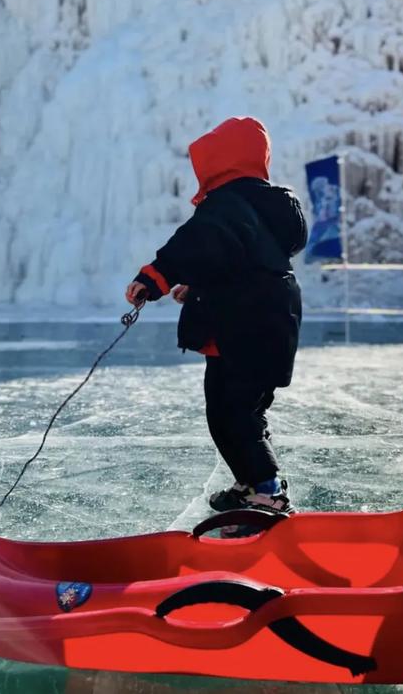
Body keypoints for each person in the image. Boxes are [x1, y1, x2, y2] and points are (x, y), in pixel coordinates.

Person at [126, 116, 307, 514]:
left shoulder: (226, 206)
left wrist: (153, 278)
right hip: (263, 318)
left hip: (246, 323)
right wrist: (201, 286)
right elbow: (244, 258)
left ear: (220, 162)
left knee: (237, 414)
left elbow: (194, 246)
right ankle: (249, 484)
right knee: (229, 410)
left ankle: (268, 491)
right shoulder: (263, 209)